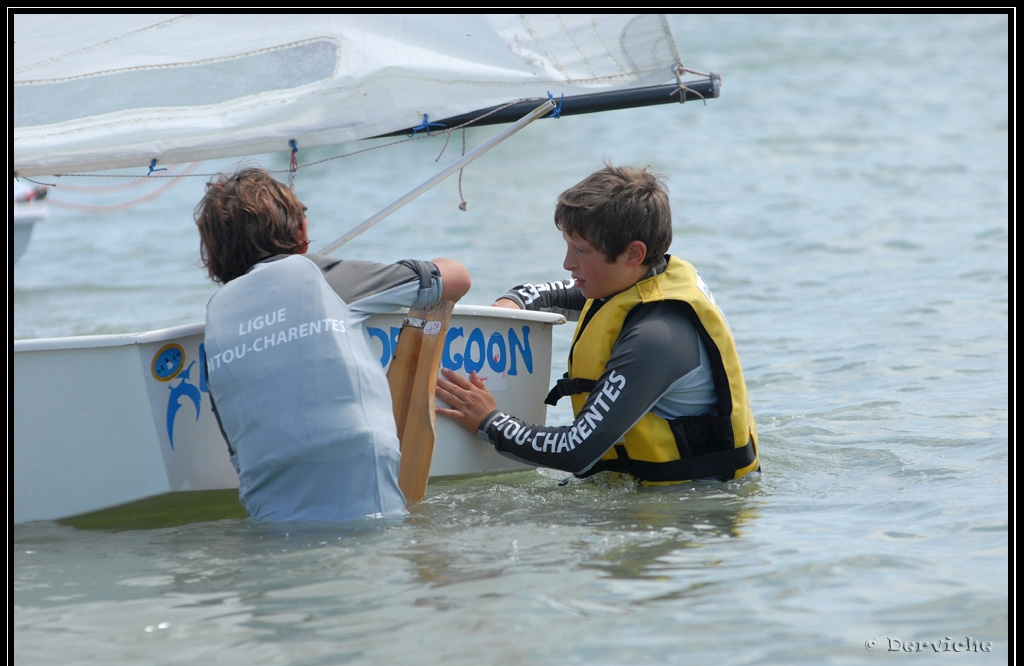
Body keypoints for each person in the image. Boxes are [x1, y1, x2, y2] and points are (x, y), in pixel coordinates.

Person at [435, 164, 758, 484]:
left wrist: (489, 421)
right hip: (637, 492)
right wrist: (512, 305)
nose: (567, 262)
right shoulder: (637, 281)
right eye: (568, 245)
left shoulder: (656, 338)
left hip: (688, 507)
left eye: (581, 250)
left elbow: (575, 450)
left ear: (633, 253)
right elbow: (549, 293)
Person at [197, 167, 471, 521]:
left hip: (270, 523)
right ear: (302, 231)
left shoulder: (215, 316)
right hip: (371, 516)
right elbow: (456, 277)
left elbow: (236, 447)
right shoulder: (319, 274)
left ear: (214, 256)